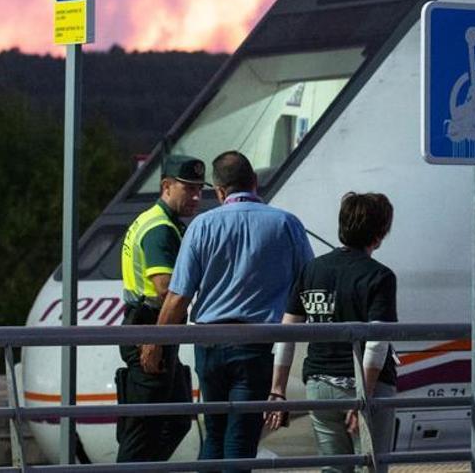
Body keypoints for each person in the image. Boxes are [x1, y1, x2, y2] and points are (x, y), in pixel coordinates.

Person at [146, 150, 314, 469]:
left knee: (215, 433)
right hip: (255, 346)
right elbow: (309, 282)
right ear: (255, 183)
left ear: (220, 190)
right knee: (241, 438)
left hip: (208, 345)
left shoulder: (201, 226)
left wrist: (155, 342)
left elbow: (178, 296)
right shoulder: (286, 224)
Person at [266, 192, 398, 473]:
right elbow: (377, 343)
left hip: (319, 386)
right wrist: (364, 396)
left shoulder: (312, 270)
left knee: (334, 468)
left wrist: (277, 389)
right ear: (379, 234)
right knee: (370, 467)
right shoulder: (379, 276)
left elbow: (287, 333)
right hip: (362, 386)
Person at [115, 155, 205, 462]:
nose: (196, 197)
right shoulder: (161, 229)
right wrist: (156, 341)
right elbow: (166, 289)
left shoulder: (157, 220)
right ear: (166, 186)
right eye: (188, 189)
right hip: (151, 329)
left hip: (153, 328)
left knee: (176, 419)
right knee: (142, 433)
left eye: (199, 189)